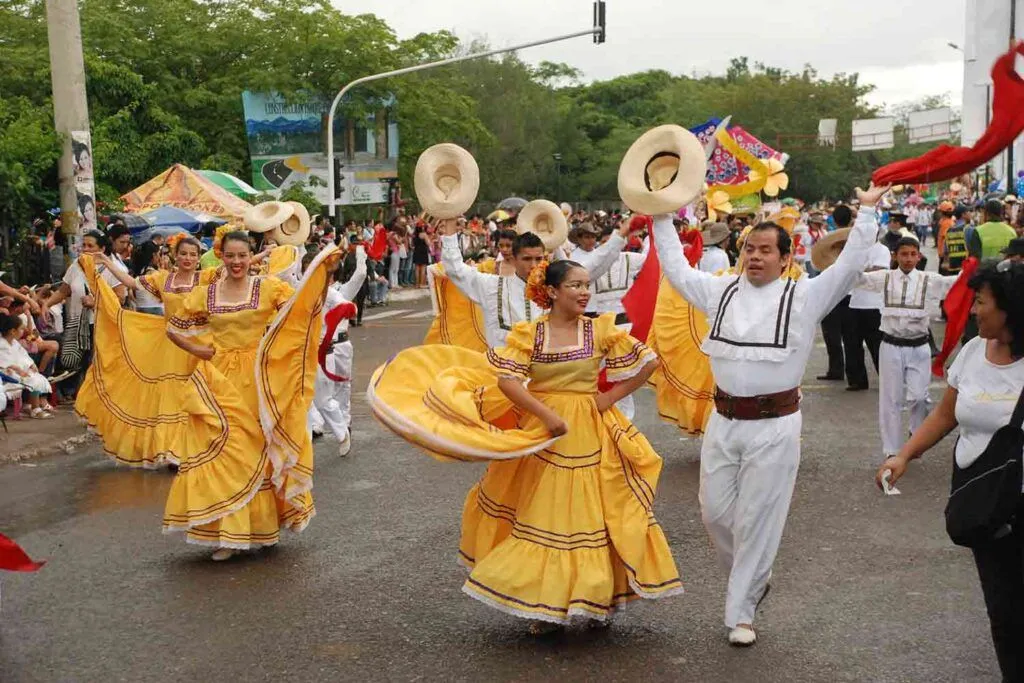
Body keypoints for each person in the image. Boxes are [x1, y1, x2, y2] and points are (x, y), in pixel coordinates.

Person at [367, 259, 681, 634]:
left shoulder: (600, 330)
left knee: (593, 513)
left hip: (589, 431)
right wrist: (546, 415)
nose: (584, 292)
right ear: (551, 292)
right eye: (575, 286)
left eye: (586, 285)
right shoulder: (529, 334)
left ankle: (597, 597)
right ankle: (546, 606)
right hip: (543, 433)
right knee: (544, 514)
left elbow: (648, 363)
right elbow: (508, 382)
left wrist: (607, 397)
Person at [652, 182, 889, 646]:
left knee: (757, 517)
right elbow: (676, 269)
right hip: (722, 422)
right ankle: (755, 578)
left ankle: (741, 612)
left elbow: (848, 265)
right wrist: (659, 215)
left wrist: (865, 214)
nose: (755, 256)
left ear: (786, 258)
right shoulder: (718, 292)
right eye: (749, 249)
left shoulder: (805, 295)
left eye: (765, 250)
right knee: (715, 513)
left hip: (776, 425)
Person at [876, 262, 1024, 682]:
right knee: (1004, 612)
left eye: (981, 301)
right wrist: (903, 455)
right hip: (989, 505)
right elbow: (945, 414)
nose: (973, 310)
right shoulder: (975, 350)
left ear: (1011, 309)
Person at [165, 231, 336, 559]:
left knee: (258, 449)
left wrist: (323, 276)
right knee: (227, 451)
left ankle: (263, 527)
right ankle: (229, 535)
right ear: (221, 256)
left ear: (252, 255)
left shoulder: (268, 287)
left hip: (260, 377)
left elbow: (304, 311)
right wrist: (202, 352)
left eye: (242, 255)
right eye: (230, 256)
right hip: (219, 380)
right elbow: (173, 327)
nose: (236, 262)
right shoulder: (207, 293)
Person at [439, 219, 627, 349]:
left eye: (539, 258)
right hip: (502, 383)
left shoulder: (555, 289)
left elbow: (593, 267)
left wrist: (621, 236)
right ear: (514, 258)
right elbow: (456, 269)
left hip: (546, 381)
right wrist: (449, 224)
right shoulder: (492, 286)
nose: (534, 265)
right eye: (527, 259)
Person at [854, 236, 958, 459]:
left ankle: (917, 432)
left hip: (919, 347)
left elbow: (956, 283)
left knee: (919, 397)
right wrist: (845, 261)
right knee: (890, 399)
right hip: (891, 345)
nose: (909, 259)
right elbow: (857, 279)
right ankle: (892, 449)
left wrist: (973, 271)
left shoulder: (928, 279)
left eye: (913, 254)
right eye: (904, 254)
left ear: (919, 256)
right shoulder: (884, 278)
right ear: (895, 256)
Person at [42, 231, 126, 394]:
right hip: (77, 324)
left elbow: (120, 298)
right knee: (76, 361)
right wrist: (46, 304)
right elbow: (63, 291)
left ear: (101, 248)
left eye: (90, 246)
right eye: (84, 245)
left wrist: (95, 302)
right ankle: (81, 397)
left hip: (102, 324)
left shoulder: (110, 269)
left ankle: (96, 398)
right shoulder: (76, 266)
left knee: (97, 362)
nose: (85, 249)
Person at [309, 246, 366, 457]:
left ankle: (343, 427)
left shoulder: (336, 293)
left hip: (332, 349)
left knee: (335, 392)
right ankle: (311, 431)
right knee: (302, 397)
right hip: (303, 352)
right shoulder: (299, 290)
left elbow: (359, 280)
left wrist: (360, 253)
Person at [842, 209, 891, 391]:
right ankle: (857, 380)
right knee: (852, 344)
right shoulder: (855, 251)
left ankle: (887, 380)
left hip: (873, 305)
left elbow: (880, 272)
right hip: (854, 302)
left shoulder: (882, 250)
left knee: (877, 345)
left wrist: (859, 272)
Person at [0, 314, 53, 419]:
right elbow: (4, 362)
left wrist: (31, 365)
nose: (23, 332)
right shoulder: (1, 344)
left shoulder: (15, 343)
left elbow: (24, 356)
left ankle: (32, 406)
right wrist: (18, 370)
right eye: (21, 329)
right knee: (31, 379)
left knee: (35, 376)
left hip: (18, 371)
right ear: (12, 331)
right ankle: (35, 409)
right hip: (7, 374)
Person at [129, 241, 164, 316]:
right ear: (154, 255)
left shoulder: (139, 271)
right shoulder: (153, 273)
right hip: (155, 310)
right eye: (158, 254)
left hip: (140, 309)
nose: (159, 257)